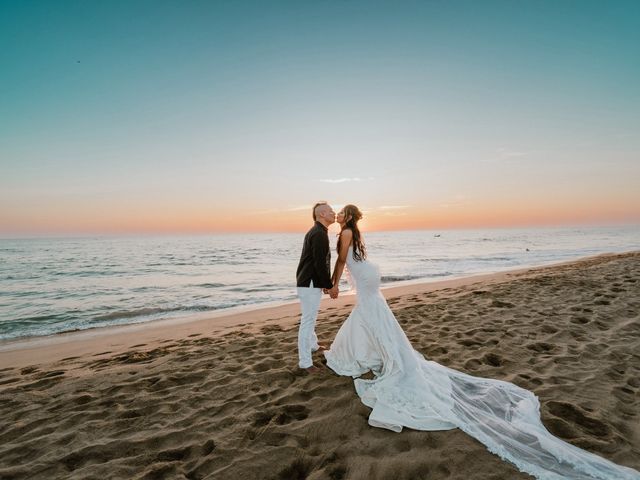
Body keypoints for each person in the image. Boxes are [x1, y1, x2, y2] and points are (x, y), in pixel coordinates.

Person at [323, 204, 640, 480]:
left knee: (368, 317)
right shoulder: (355, 234)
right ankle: (354, 352)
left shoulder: (345, 233)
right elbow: (350, 261)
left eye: (341, 211)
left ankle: (346, 354)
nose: (336, 214)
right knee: (369, 318)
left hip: (366, 283)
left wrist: (333, 284)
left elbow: (340, 263)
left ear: (348, 216)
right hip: (369, 282)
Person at [295, 201, 338, 373]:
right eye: (330, 211)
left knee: (310, 317)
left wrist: (324, 284)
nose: (334, 213)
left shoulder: (319, 231)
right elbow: (320, 264)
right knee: (308, 320)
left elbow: (319, 263)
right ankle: (305, 363)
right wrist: (329, 285)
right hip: (309, 282)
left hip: (310, 281)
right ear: (321, 214)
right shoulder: (319, 234)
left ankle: (312, 345)